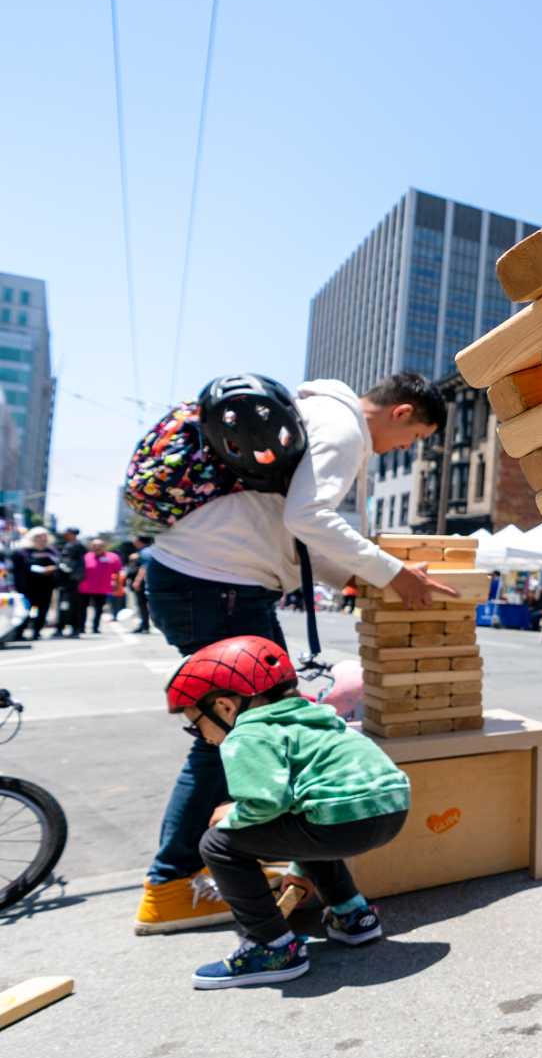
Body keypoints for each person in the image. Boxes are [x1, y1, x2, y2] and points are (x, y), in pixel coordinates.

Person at [135, 373, 450, 935]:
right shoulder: (343, 427)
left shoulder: (315, 415)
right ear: (401, 412)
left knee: (248, 734)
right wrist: (393, 572)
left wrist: (357, 575)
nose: (404, 449)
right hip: (220, 588)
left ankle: (222, 865)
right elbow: (309, 518)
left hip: (210, 583)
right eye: (415, 437)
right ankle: (171, 884)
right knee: (236, 737)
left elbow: (290, 529)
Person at [167, 636, 410, 989]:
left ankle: (272, 947)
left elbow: (267, 803)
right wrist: (298, 865)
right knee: (305, 820)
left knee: (217, 844)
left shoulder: (248, 733)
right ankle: (353, 916)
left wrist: (230, 815)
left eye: (196, 725)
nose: (202, 737)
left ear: (224, 707)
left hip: (339, 822)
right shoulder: (313, 712)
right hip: (391, 810)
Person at [8, 527, 62, 638]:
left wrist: (53, 569)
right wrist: (42, 570)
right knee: (28, 609)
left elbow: (58, 563)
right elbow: (22, 567)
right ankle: (20, 632)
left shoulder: (51, 551)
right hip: (28, 587)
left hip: (46, 586)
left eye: (44, 537)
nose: (42, 539)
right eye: (39, 537)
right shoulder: (23, 552)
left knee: (43, 609)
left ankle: (36, 631)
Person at [78, 537, 123, 634]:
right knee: (82, 608)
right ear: (91, 547)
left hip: (102, 588)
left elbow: (117, 572)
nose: (97, 548)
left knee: (99, 609)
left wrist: (116, 583)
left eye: (100, 546)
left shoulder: (113, 557)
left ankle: (95, 627)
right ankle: (81, 627)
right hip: (85, 588)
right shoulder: (86, 556)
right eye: (95, 546)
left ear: (104, 547)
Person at [54, 526, 87, 637]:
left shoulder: (78, 546)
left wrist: (73, 572)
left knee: (74, 606)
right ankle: (61, 628)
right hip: (64, 582)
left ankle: (75, 628)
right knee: (63, 606)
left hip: (73, 582)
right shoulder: (65, 545)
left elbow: (79, 564)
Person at [123, 536, 154, 634]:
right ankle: (144, 625)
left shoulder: (145, 552)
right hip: (147, 581)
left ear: (140, 541)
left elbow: (145, 567)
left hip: (144, 582)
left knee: (142, 604)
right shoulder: (145, 551)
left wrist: (137, 581)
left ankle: (145, 626)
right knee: (142, 604)